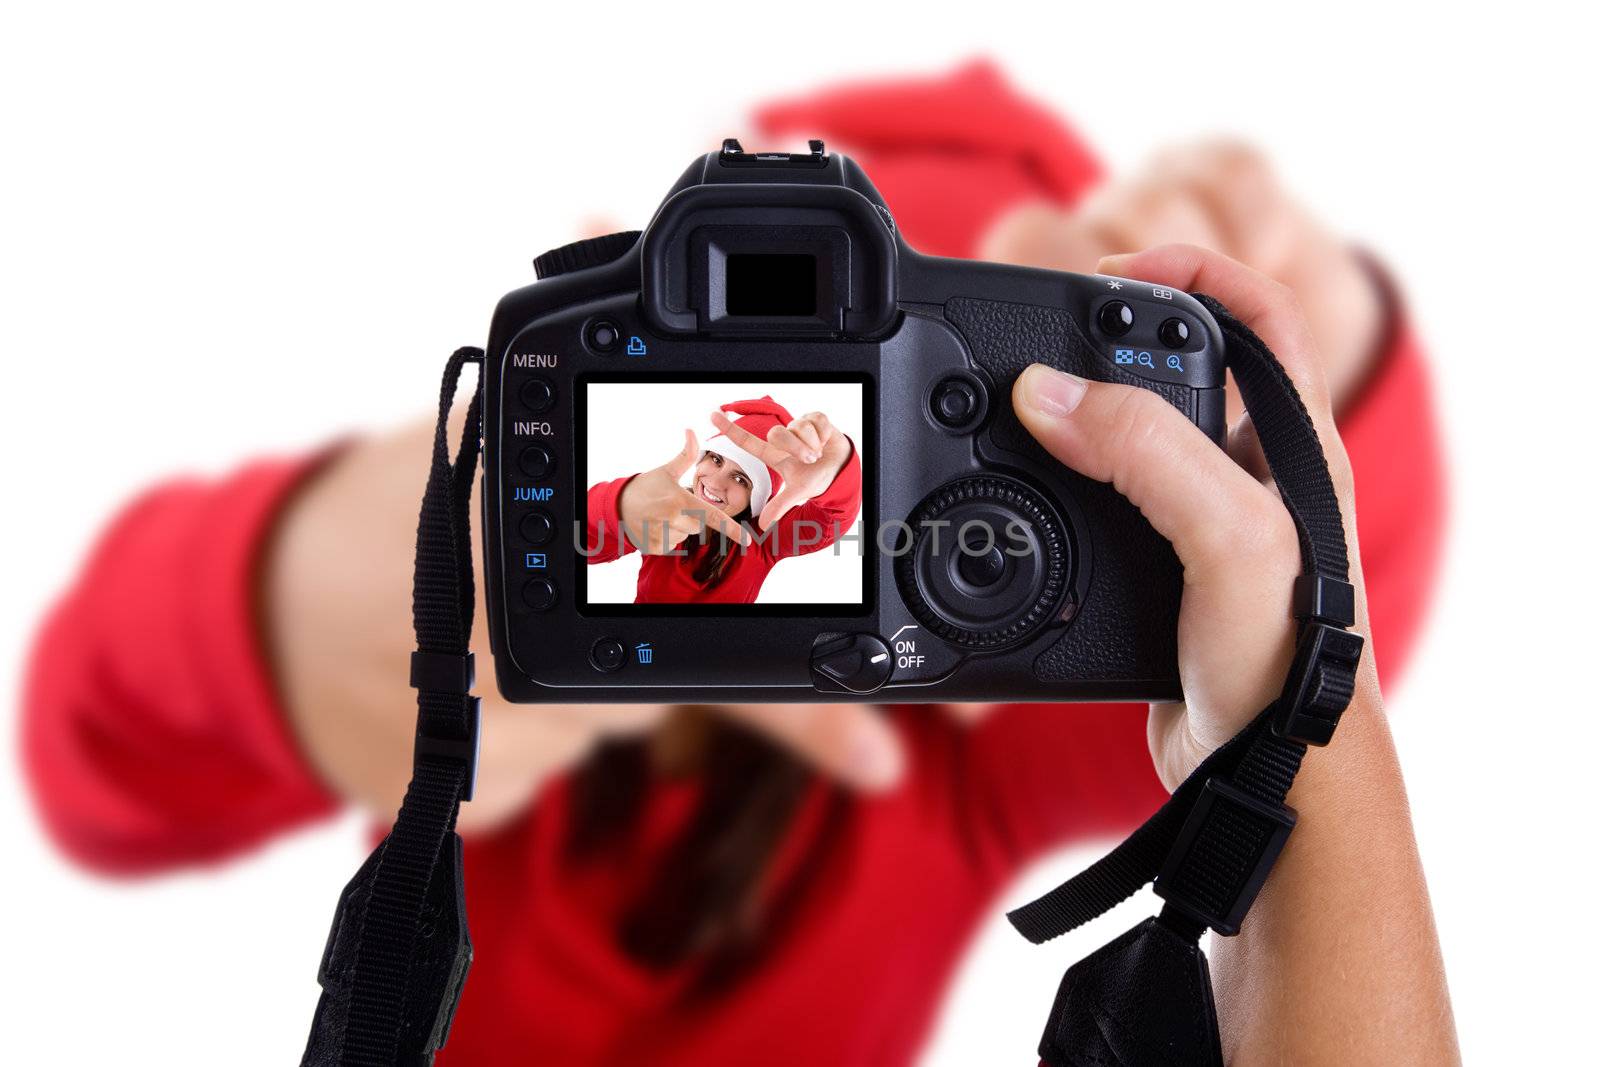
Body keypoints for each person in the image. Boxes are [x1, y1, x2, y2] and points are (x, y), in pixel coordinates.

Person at [20, 62, 1455, 1064]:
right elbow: (85, 761)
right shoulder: (542, 540)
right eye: (723, 421)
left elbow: (1253, 701)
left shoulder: (950, 753)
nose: (709, 479)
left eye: (948, 438)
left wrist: (1325, 388)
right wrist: (277, 591)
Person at [585, 397, 862, 603]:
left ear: (757, 499)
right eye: (716, 459)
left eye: (741, 479)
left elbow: (833, 518)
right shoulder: (664, 509)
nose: (716, 483)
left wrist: (835, 470)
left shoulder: (764, 540)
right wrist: (618, 506)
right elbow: (576, 549)